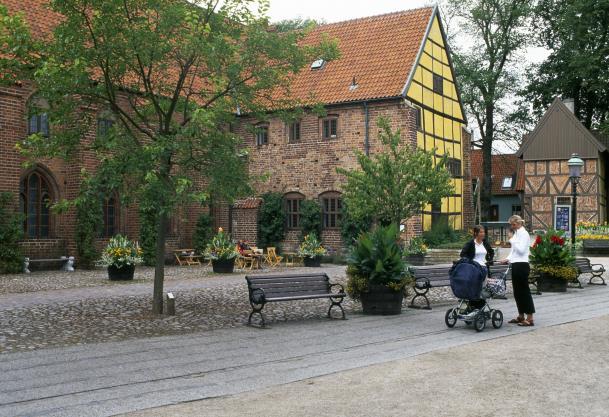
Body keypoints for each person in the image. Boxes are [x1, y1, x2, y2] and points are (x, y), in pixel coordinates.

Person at [499, 214, 535, 326]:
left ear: (519, 223)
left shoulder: (524, 234)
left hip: (522, 265)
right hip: (515, 264)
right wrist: (507, 259)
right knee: (517, 292)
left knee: (524, 291)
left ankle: (530, 318)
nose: (512, 227)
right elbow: (514, 251)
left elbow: (521, 250)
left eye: (513, 224)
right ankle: (521, 316)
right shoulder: (517, 233)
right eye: (511, 225)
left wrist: (511, 240)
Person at [459, 225, 495, 311]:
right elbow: (463, 254)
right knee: (474, 288)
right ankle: (472, 307)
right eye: (481, 232)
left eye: (484, 232)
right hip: (474, 270)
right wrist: (470, 262)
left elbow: (491, 252)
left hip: (484, 269)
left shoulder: (485, 243)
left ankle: (480, 308)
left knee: (483, 289)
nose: (483, 234)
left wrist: (489, 260)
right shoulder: (471, 243)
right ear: (476, 233)